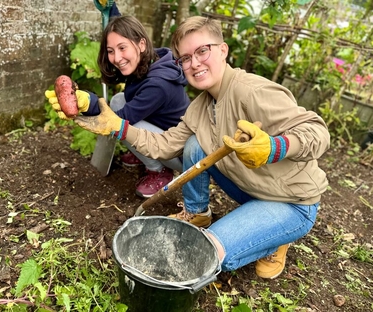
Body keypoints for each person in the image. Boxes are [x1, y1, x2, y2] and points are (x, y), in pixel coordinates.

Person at [70, 15, 331, 279]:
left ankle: (273, 238)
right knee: (195, 142)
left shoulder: (252, 91)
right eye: (185, 58)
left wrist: (274, 147)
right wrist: (119, 127)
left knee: (206, 251)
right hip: (251, 189)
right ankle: (198, 213)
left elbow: (317, 131)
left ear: (222, 50)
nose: (194, 63)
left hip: (291, 201)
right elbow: (165, 144)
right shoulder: (201, 107)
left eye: (202, 51)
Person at [46, 14, 190, 198]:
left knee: (122, 125)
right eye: (111, 50)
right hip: (165, 133)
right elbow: (119, 22)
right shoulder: (152, 59)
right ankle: (143, 155)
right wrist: (109, 8)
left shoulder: (158, 84)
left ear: (142, 44)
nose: (116, 57)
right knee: (118, 100)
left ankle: (159, 171)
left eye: (122, 48)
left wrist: (87, 102)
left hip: (179, 154)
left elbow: (117, 120)